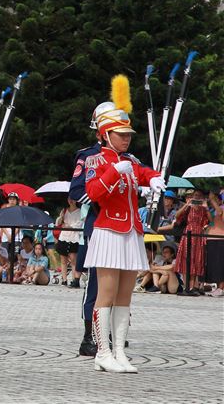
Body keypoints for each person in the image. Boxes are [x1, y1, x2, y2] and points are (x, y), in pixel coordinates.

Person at [84, 79, 164, 373]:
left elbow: (143, 172)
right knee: (105, 293)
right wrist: (113, 172)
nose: (126, 138)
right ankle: (101, 352)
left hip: (131, 232)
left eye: (128, 134)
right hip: (108, 232)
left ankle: (119, 351)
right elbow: (93, 193)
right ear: (106, 135)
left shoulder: (130, 160)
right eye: (120, 134)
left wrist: (153, 178)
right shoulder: (97, 160)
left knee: (125, 296)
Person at [68, 102, 104, 357]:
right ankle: (89, 334)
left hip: (123, 225)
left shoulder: (130, 160)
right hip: (98, 221)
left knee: (121, 280)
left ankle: (111, 329)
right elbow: (77, 190)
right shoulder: (87, 156)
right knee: (98, 279)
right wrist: (100, 198)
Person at [174, 189, 212, 296]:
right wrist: (187, 204)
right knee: (186, 258)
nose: (197, 197)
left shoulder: (203, 208)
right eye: (195, 195)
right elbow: (177, 216)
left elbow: (211, 221)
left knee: (197, 259)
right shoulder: (188, 207)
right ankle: (187, 286)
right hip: (188, 232)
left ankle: (193, 286)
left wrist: (206, 207)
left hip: (198, 233)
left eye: (199, 196)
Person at [56, 198, 83, 287]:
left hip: (74, 236)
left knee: (73, 259)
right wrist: (61, 216)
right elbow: (58, 223)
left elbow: (79, 223)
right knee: (63, 259)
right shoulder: (64, 210)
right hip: (64, 236)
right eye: (69, 199)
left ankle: (74, 279)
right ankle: (64, 280)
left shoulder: (79, 211)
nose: (71, 201)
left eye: (73, 199)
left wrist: (69, 226)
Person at [204, 192, 224, 297]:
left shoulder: (221, 208)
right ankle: (216, 286)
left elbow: (220, 213)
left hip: (221, 237)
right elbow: (211, 221)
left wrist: (212, 200)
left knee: (220, 263)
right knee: (213, 264)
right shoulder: (213, 209)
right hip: (211, 237)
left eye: (216, 199)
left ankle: (221, 287)